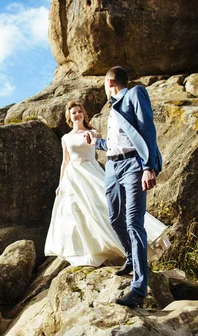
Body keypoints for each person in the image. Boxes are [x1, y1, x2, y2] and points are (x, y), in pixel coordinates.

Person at [44, 100, 169, 277]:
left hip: (91, 171)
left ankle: (126, 249)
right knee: (76, 214)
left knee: (101, 207)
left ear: (83, 114)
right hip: (72, 176)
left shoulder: (94, 132)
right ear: (69, 117)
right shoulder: (65, 138)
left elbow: (108, 149)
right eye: (74, 113)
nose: (77, 114)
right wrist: (60, 183)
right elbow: (65, 162)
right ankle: (89, 253)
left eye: (80, 111)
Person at [86, 66, 164, 307]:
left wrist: (148, 166)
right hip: (112, 166)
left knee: (133, 222)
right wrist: (96, 142)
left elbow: (147, 129)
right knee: (114, 218)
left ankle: (139, 289)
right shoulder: (114, 109)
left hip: (133, 165)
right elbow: (115, 142)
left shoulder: (135, 94)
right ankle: (131, 257)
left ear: (110, 83)